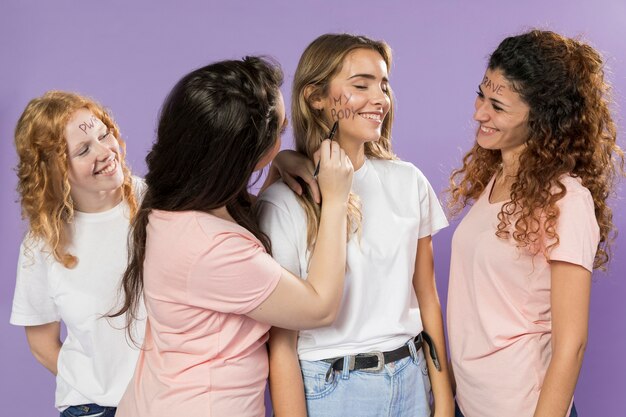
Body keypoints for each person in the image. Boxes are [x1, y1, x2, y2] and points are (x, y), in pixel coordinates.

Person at [111, 56, 354, 417]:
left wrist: (273, 166)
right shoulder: (213, 248)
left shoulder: (173, 205)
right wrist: (335, 200)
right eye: (280, 132)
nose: (284, 135)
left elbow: (241, 228)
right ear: (242, 158)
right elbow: (320, 307)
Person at [258, 33, 455, 417]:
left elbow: (427, 297)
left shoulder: (408, 180)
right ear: (316, 98)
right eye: (361, 85)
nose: (380, 98)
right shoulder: (283, 202)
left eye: (384, 84)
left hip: (413, 380)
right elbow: (281, 341)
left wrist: (443, 398)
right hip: (333, 390)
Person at [447, 30, 625, 417]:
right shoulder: (495, 177)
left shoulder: (567, 200)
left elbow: (571, 344)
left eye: (498, 105)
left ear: (542, 118)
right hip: (471, 404)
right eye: (481, 94)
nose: (480, 113)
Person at [10, 91, 146, 417]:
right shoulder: (42, 244)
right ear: (55, 170)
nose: (105, 151)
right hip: (93, 409)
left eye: (104, 134)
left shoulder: (157, 200)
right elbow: (42, 344)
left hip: (171, 403)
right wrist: (95, 385)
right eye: (84, 149)